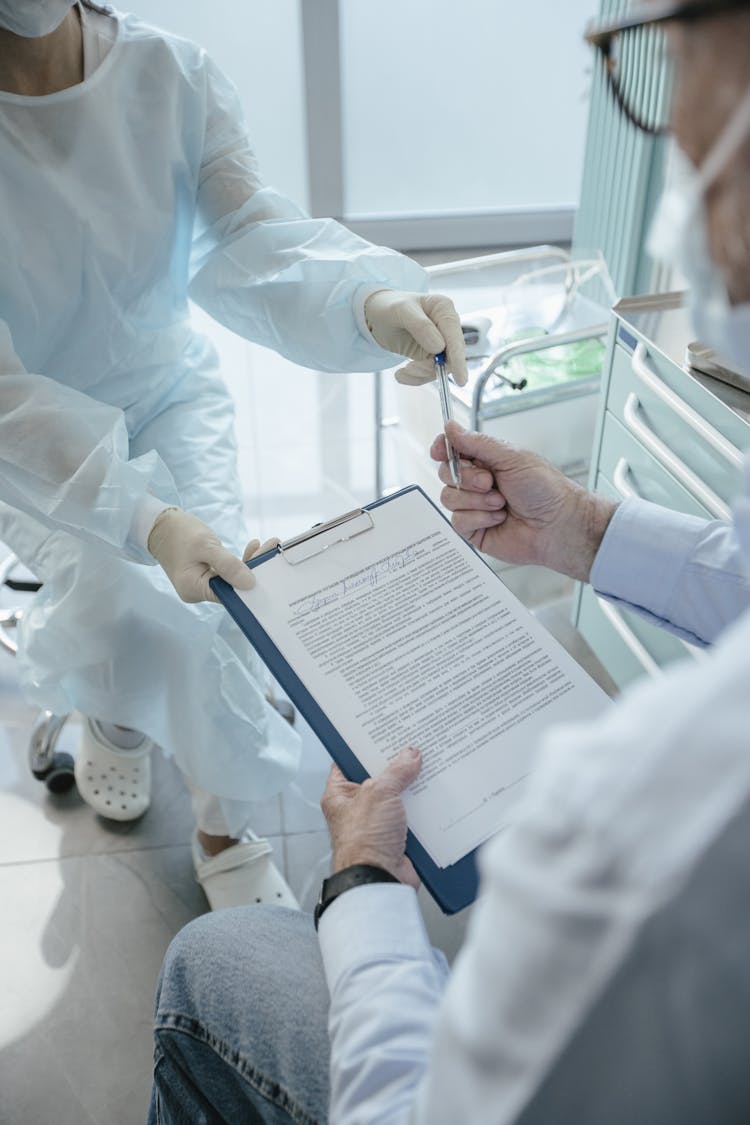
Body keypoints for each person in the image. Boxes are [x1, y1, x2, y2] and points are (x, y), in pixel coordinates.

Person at [149, 1, 750, 1121]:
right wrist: (581, 525)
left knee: (210, 961)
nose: (684, 221)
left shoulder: (660, 821)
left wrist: (364, 884)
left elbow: (415, 1113)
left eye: (703, 151)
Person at [0, 0, 468, 909]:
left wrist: (367, 303)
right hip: (38, 441)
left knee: (220, 608)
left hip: (168, 388)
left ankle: (225, 826)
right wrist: (147, 519)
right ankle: (113, 708)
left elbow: (247, 235)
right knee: (120, 618)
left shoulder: (169, 74)